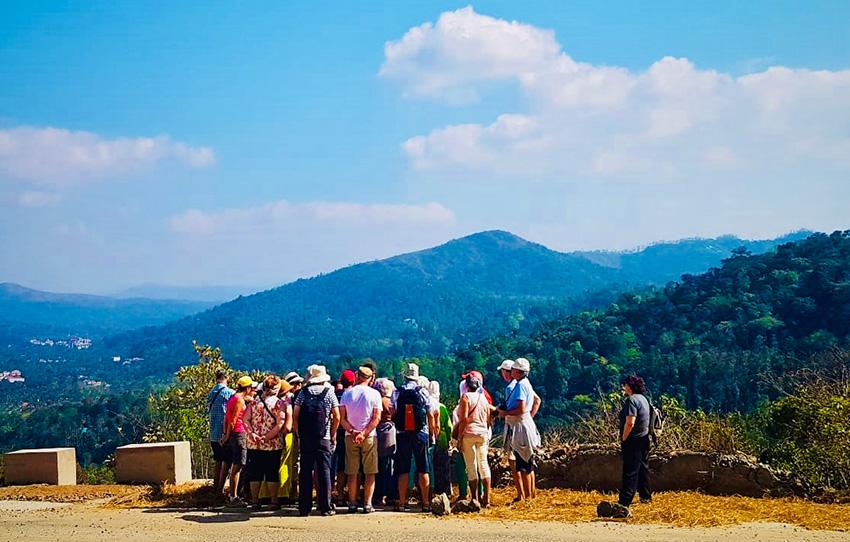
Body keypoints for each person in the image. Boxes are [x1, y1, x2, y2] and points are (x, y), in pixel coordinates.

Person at [293, 365, 340, 517]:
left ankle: (304, 507)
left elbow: (295, 415)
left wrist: (299, 434)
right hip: (323, 438)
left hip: (307, 438)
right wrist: (332, 434)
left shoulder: (302, 393)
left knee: (306, 472)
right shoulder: (329, 393)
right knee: (324, 472)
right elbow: (337, 416)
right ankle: (325, 506)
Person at [339, 366, 382, 513]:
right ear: (370, 378)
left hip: (350, 436)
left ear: (358, 376)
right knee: (370, 471)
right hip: (369, 435)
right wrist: (364, 433)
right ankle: (367, 503)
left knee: (352, 471)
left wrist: (352, 431)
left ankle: (352, 502)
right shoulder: (375, 394)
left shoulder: (346, 394)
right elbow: (376, 418)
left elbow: (342, 418)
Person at [497, 358, 540, 502]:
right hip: (525, 423)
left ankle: (526, 497)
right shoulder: (525, 384)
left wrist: (505, 413)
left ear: (517, 371)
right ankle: (531, 495)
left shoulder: (520, 386)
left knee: (523, 465)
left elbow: (520, 409)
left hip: (520, 426)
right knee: (528, 461)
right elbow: (536, 401)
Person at [393, 363, 434, 512]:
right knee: (423, 467)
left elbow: (394, 412)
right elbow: (430, 412)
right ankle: (425, 503)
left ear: (405, 376)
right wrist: (432, 432)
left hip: (402, 433)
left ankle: (402, 503)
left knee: (403, 468)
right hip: (420, 433)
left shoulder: (397, 392)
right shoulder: (422, 391)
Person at [244, 375, 286, 511]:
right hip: (272, 444)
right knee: (272, 472)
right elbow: (280, 423)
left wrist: (253, 434)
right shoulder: (279, 404)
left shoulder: (254, 402)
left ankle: (255, 501)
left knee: (255, 472)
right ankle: (274, 501)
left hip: (254, 443)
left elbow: (246, 420)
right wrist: (267, 437)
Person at [456, 372, 495, 507]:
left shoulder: (466, 397)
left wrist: (460, 438)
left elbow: (464, 419)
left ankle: (475, 498)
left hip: (469, 434)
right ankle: (487, 498)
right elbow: (489, 417)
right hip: (482, 434)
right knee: (483, 464)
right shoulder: (483, 398)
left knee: (471, 466)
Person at [618, 374, 652, 512]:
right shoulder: (644, 399)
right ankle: (645, 495)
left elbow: (630, 422)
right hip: (644, 438)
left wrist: (624, 438)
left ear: (629, 386)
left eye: (625, 385)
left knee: (630, 470)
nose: (624, 387)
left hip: (633, 439)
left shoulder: (631, 400)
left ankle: (625, 500)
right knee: (643, 468)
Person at [221, 375, 256, 506]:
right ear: (247, 388)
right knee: (238, 465)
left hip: (235, 434)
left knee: (237, 464)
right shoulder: (239, 401)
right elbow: (233, 420)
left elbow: (227, 418)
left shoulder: (233, 397)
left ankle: (234, 494)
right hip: (239, 433)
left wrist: (225, 434)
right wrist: (227, 436)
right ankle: (233, 496)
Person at [207, 370, 235, 495]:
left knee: (218, 460)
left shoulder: (211, 393)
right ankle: (221, 489)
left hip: (213, 432)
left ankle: (216, 487)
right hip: (224, 433)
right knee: (226, 461)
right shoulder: (229, 393)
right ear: (226, 378)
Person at [333, 369, 356, 504]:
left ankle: (340, 494)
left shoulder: (335, 395)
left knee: (340, 465)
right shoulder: (354, 395)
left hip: (339, 431)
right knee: (354, 465)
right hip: (353, 431)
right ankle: (354, 494)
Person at [373, 377, 397, 506]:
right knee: (388, 466)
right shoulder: (390, 401)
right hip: (389, 433)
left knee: (379, 466)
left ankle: (378, 494)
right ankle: (389, 494)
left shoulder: (378, 400)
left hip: (378, 433)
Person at [429, 380, 453, 497]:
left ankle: (432, 491)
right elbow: (448, 426)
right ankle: (445, 491)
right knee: (443, 467)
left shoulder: (427, 404)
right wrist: (449, 439)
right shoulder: (442, 407)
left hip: (430, 439)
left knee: (432, 467)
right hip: (442, 439)